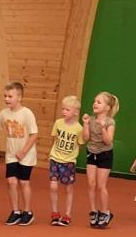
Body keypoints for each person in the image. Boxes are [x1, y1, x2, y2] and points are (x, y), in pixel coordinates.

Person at [0, 81, 38, 226]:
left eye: (10, 96)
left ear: (19, 97)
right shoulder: (4, 114)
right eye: (5, 96)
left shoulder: (27, 113)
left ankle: (27, 212)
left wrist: (24, 151)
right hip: (11, 154)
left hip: (26, 154)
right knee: (11, 181)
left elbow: (34, 134)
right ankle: (16, 211)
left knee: (24, 182)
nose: (7, 99)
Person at [82, 91, 119, 228]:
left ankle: (105, 212)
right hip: (91, 153)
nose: (95, 104)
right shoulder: (91, 119)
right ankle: (93, 211)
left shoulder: (110, 122)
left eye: (99, 102)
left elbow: (108, 141)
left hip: (105, 154)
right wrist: (86, 124)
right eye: (94, 101)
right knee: (91, 183)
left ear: (107, 107)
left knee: (101, 185)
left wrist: (103, 127)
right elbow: (86, 138)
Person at [46, 96, 84, 226]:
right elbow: (54, 139)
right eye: (63, 109)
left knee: (68, 189)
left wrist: (72, 156)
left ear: (75, 112)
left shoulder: (79, 128)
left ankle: (67, 214)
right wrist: (52, 154)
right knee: (53, 186)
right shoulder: (58, 123)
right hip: (55, 158)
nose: (64, 112)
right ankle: (55, 212)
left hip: (68, 162)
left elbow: (80, 144)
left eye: (67, 110)